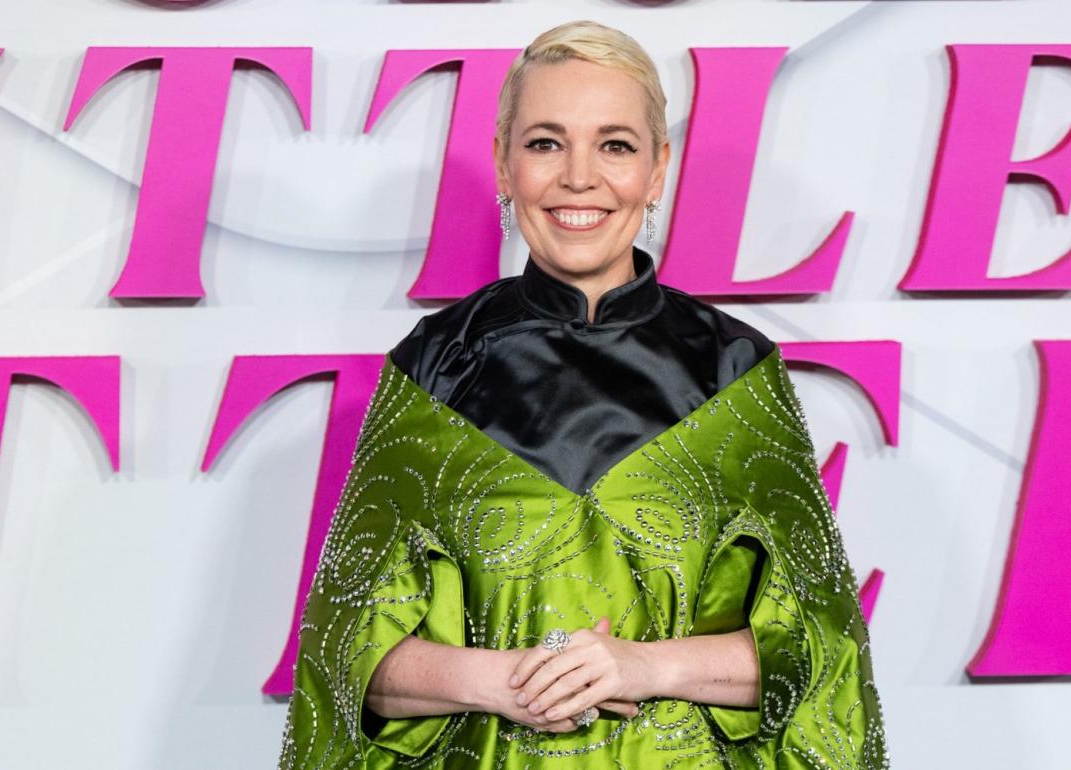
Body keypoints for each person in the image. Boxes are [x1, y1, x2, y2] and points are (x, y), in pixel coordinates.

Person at [277, 19, 888, 770]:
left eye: (616, 145)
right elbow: (348, 652)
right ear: (505, 165)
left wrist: (643, 665)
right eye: (544, 143)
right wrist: (500, 680)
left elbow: (821, 650)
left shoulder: (735, 369)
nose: (577, 177)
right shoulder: (433, 366)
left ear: (657, 170)